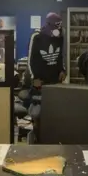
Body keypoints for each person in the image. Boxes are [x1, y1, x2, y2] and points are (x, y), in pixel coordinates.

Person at [26, 12, 66, 142]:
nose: (58, 29)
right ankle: (37, 138)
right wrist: (34, 78)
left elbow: (61, 56)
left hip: (54, 81)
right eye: (56, 26)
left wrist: (62, 70)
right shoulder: (36, 36)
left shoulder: (60, 36)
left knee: (54, 113)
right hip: (39, 81)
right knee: (38, 114)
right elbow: (30, 59)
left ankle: (51, 139)